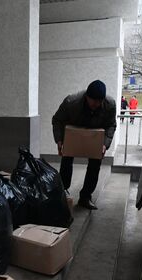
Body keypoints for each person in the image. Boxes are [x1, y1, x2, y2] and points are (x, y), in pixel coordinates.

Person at [52, 80, 117, 210]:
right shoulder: (71, 102)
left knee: (95, 164)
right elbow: (57, 120)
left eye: (99, 101)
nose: (96, 104)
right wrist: (59, 140)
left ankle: (85, 197)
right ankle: (63, 192)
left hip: (95, 135)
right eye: (93, 101)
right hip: (74, 132)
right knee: (67, 159)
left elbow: (111, 125)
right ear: (86, 96)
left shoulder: (110, 104)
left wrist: (105, 144)